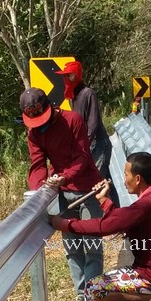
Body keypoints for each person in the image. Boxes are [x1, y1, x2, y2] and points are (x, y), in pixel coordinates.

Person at [49, 152, 151, 301]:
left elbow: (104, 227)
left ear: (137, 179)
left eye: (126, 174)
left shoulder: (144, 206)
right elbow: (121, 220)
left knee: (92, 290)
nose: (124, 180)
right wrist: (104, 200)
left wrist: (66, 224)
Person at [20, 87, 104, 301]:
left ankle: (93, 293)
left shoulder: (73, 120)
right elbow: (38, 165)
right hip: (62, 193)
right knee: (72, 247)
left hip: (87, 189)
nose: (40, 125)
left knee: (92, 245)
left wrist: (66, 176)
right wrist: (40, 189)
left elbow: (82, 156)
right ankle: (81, 293)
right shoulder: (34, 134)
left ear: (50, 107)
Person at [55, 60, 119, 206]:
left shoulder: (88, 93)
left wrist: (82, 146)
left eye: (69, 75)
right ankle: (118, 214)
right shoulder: (72, 97)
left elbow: (93, 123)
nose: (65, 79)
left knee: (96, 184)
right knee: (104, 181)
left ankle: (106, 215)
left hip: (98, 145)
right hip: (89, 145)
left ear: (76, 76)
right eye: (64, 76)